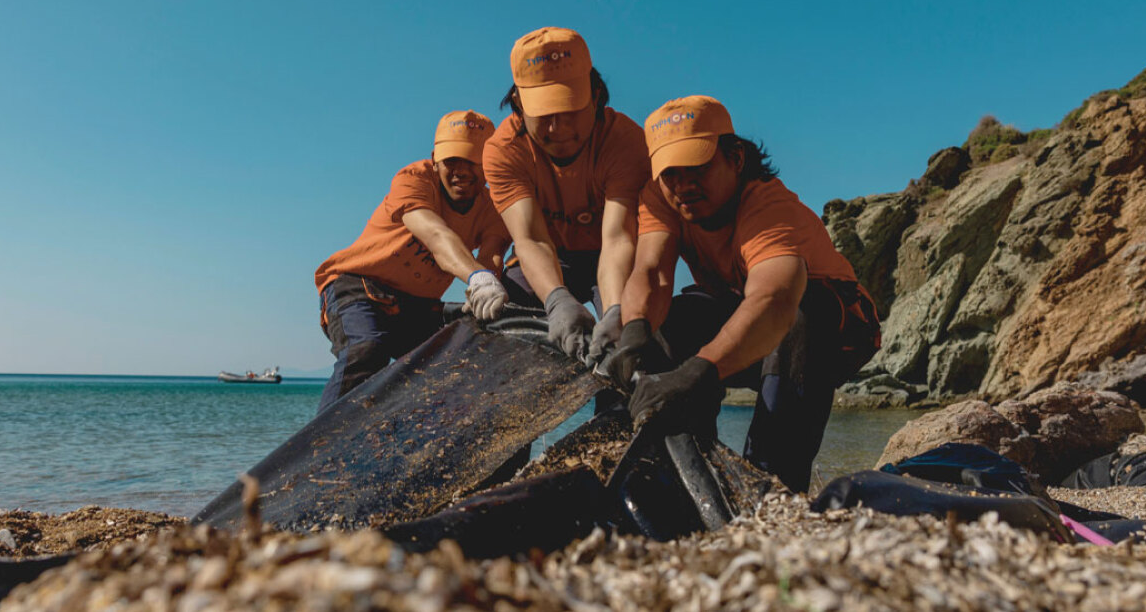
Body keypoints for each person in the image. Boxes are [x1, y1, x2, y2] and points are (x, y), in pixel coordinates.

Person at [610, 96, 881, 493]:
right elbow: (652, 274)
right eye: (670, 174)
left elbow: (774, 301)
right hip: (750, 318)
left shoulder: (769, 206)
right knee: (670, 321)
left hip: (832, 331)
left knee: (803, 315)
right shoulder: (662, 195)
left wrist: (697, 371)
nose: (683, 185)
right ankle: (688, 473)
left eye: (697, 168)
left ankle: (772, 482)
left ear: (735, 158)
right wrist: (633, 334)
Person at [314, 110, 512, 414]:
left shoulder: (492, 206)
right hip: (356, 287)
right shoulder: (414, 179)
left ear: (488, 164)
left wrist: (486, 286)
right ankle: (321, 454)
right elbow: (435, 235)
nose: (461, 170)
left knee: (456, 369)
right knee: (367, 349)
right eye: (452, 161)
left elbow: (493, 252)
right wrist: (478, 278)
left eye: (472, 161)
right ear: (435, 158)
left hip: (417, 307)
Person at [482, 27, 650, 367]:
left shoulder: (626, 142)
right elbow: (530, 239)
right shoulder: (503, 151)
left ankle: (621, 407)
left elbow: (618, 238)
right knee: (498, 327)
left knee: (632, 337)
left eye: (570, 109)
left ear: (597, 93)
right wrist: (557, 299)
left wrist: (616, 310)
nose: (558, 130)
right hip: (551, 253)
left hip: (610, 250)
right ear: (517, 102)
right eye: (544, 115)